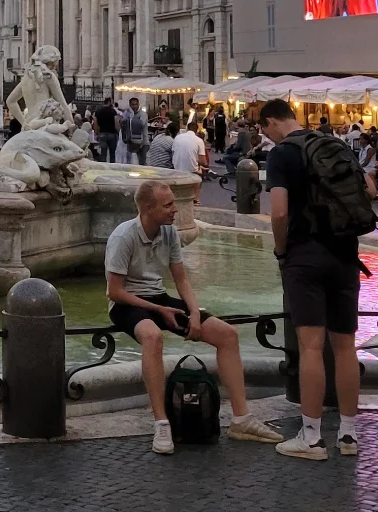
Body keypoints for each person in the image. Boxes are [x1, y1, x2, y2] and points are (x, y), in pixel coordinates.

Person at [106, 179, 279, 455]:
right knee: (152, 336)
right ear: (149, 208)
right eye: (169, 204)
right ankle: (161, 422)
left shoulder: (169, 232)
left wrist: (195, 313)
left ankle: (241, 419)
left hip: (159, 298)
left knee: (227, 335)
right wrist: (159, 311)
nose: (175, 209)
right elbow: (114, 292)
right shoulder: (123, 236)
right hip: (128, 302)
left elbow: (181, 279)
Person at [260, 97, 364, 461]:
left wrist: (280, 250)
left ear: (271, 123)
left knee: (309, 347)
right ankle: (349, 435)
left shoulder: (281, 155)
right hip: (346, 254)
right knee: (345, 346)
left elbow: (279, 212)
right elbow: (368, 191)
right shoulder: (334, 143)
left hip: (305, 255)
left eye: (264, 130)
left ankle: (312, 437)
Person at [120, 98, 149, 165]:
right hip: (131, 142)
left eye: (136, 104)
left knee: (142, 163)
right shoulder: (128, 114)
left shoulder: (143, 114)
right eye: (133, 105)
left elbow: (140, 124)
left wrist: (131, 118)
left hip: (143, 143)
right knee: (130, 162)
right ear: (130, 105)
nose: (135, 106)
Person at [94, 99, 119, 164]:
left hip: (102, 134)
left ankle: (104, 168)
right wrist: (118, 131)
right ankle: (112, 167)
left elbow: (95, 123)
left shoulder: (98, 112)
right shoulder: (113, 111)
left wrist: (96, 133)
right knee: (112, 153)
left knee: (103, 153)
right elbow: (116, 123)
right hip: (112, 134)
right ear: (109, 102)